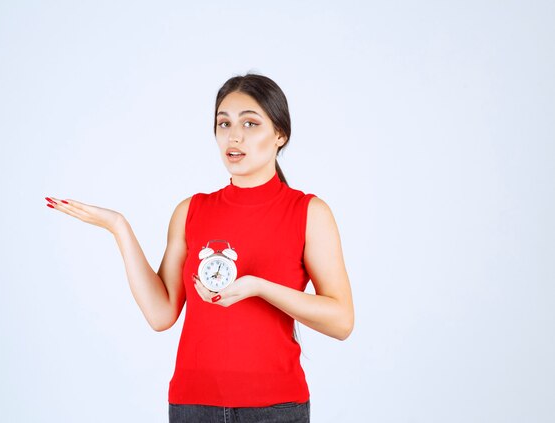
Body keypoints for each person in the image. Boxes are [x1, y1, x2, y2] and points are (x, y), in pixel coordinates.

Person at [44, 73, 354, 423]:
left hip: (275, 408)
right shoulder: (191, 210)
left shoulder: (309, 212)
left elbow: (341, 321)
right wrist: (119, 227)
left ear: (280, 135)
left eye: (250, 123)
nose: (234, 136)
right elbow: (161, 314)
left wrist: (258, 287)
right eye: (224, 124)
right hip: (192, 404)